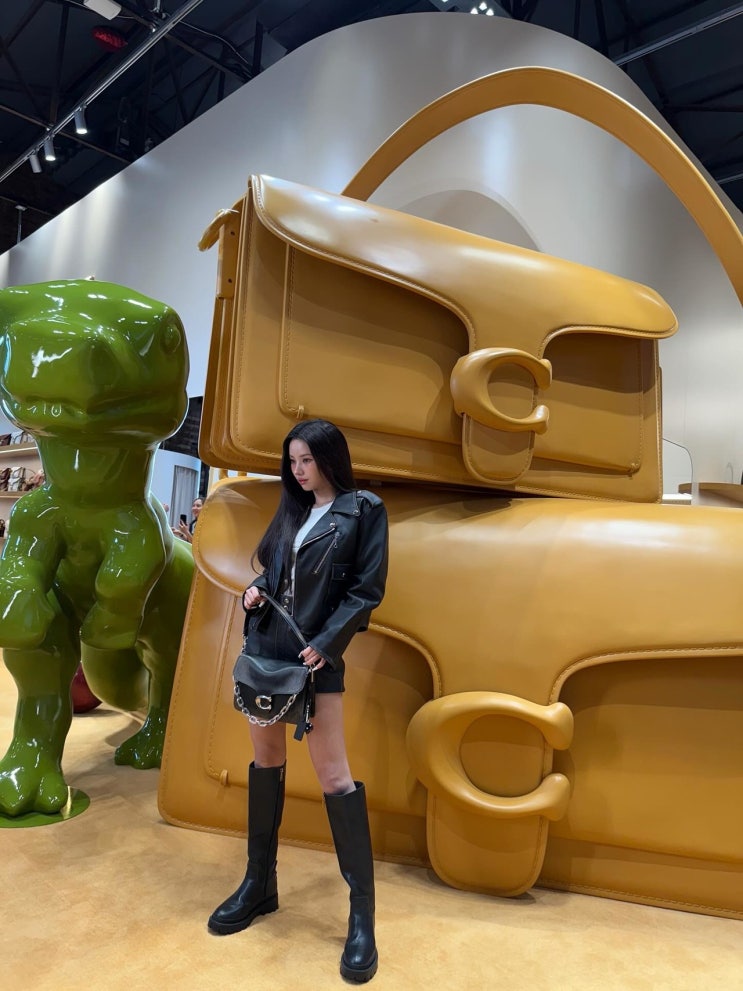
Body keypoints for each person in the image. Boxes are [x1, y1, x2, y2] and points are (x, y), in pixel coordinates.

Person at [207, 419, 388, 984]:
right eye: (293, 461)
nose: (298, 470)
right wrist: (255, 591)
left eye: (307, 459)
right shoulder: (292, 510)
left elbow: (366, 591)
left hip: (315, 658)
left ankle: (361, 915)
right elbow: (274, 574)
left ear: (330, 457)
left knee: (334, 777)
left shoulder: (363, 510)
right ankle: (259, 884)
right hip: (268, 650)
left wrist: (327, 645)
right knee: (266, 762)